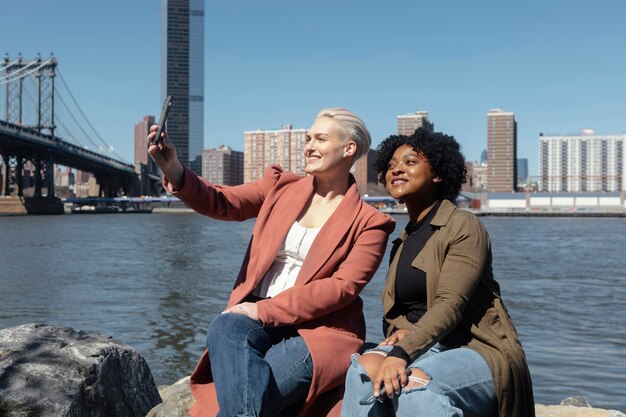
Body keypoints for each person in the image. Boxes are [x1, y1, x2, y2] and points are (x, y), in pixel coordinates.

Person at [147, 108, 395, 417]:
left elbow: (341, 288)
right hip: (253, 318)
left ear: (349, 149)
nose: (309, 146)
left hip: (317, 331)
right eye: (307, 138)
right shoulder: (280, 187)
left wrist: (263, 310)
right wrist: (175, 170)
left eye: (320, 138)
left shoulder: (371, 223)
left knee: (249, 399)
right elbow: (223, 202)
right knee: (224, 326)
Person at [341, 128, 534, 417]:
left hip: (476, 349)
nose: (397, 170)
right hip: (425, 345)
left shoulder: (463, 226)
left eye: (410, 162)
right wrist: (402, 333)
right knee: (362, 373)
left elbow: (450, 304)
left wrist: (401, 353)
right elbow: (404, 312)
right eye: (391, 165)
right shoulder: (403, 241)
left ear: (438, 174)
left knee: (414, 386)